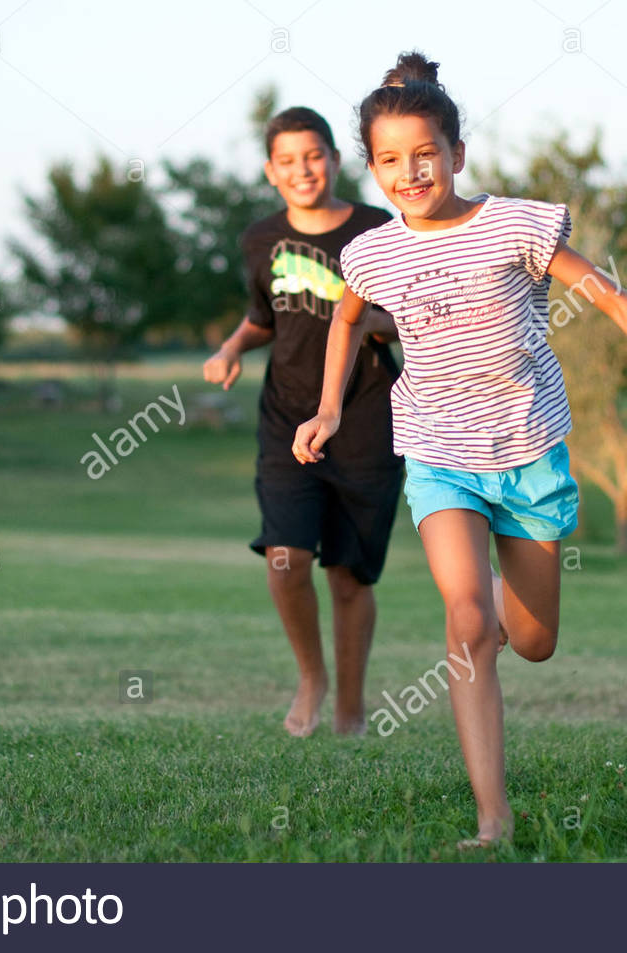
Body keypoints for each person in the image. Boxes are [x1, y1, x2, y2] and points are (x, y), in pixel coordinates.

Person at [292, 52, 627, 846]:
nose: (409, 172)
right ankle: (493, 818)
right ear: (372, 167)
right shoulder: (374, 251)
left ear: (457, 155)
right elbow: (347, 320)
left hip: (527, 454)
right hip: (438, 451)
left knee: (534, 641)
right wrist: (330, 410)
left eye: (425, 154)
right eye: (389, 160)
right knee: (470, 620)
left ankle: (489, 593)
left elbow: (608, 293)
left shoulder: (514, 225)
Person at [203, 106, 404, 737]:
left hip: (369, 418)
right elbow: (265, 316)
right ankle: (311, 675)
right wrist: (233, 347)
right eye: (287, 160)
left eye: (313, 156)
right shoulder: (259, 239)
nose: (302, 170)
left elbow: (414, 318)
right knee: (285, 558)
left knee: (348, 575)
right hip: (287, 417)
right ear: (270, 170)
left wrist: (368, 321)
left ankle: (350, 708)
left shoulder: (380, 229)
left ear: (337, 160)